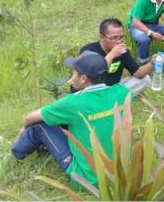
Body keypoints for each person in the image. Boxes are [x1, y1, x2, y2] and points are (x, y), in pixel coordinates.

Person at [11, 52, 132, 188]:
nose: (71, 77)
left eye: (74, 73)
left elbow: (29, 117)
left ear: (83, 78)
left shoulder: (73, 102)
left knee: (40, 124)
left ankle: (16, 152)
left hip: (88, 180)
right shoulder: (123, 92)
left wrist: (23, 128)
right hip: (123, 173)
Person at [75, 18, 152, 95]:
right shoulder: (89, 50)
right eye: (114, 38)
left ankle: (112, 97)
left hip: (112, 88)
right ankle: (113, 98)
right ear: (101, 36)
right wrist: (112, 54)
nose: (119, 41)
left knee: (146, 79)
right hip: (91, 90)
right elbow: (94, 75)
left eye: (121, 37)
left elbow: (137, 73)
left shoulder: (123, 51)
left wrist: (153, 63)